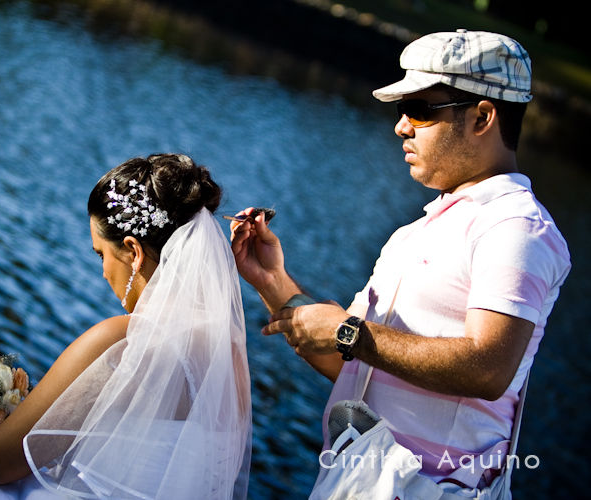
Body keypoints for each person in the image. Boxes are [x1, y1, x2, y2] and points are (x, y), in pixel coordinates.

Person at [230, 30, 570, 497]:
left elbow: (488, 369)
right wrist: (273, 281)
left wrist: (350, 332)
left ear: (482, 117)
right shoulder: (421, 230)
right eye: (401, 111)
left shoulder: (515, 227)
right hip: (361, 481)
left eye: (421, 110)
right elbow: (355, 363)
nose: (401, 126)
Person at [0, 153, 252, 499]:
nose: (102, 272)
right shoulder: (228, 355)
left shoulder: (122, 342)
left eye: (100, 254)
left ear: (132, 252)